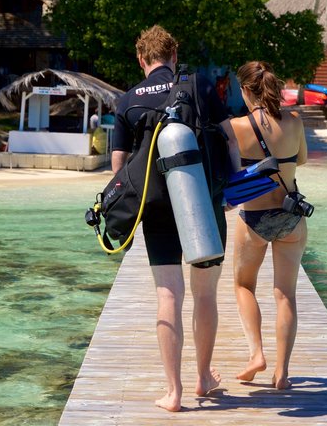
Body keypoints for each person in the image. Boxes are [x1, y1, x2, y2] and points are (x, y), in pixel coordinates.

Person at [110, 25, 227, 412]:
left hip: (156, 206)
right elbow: (227, 137)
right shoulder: (199, 86)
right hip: (202, 199)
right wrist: (229, 189)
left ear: (142, 60)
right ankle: (204, 377)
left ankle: (173, 392)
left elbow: (118, 168)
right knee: (205, 293)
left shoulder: (127, 100)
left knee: (168, 294)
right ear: (174, 56)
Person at [222, 61, 309, 391]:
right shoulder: (296, 122)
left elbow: (227, 173)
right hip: (291, 217)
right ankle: (282, 374)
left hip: (255, 219)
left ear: (245, 90)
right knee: (285, 294)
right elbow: (301, 161)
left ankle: (256, 354)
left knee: (243, 285)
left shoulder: (236, 127)